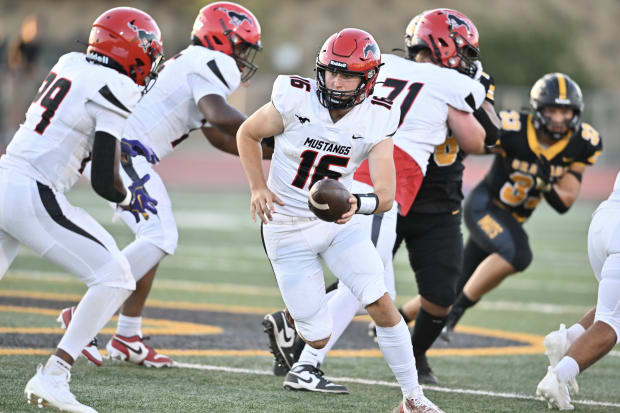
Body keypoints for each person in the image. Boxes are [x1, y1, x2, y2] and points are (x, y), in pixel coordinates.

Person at [263, 8, 498, 388]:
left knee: (374, 288)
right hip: (380, 180)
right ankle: (306, 364)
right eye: (463, 53)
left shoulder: (384, 63)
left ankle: (293, 327)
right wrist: (482, 91)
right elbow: (480, 138)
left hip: (347, 169)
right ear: (445, 46)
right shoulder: (451, 82)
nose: (466, 61)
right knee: (364, 288)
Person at [238, 27, 445, 412]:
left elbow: (385, 195)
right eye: (331, 71)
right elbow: (247, 133)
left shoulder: (378, 117)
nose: (335, 81)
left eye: (347, 74)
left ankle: (413, 398)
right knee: (317, 337)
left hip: (337, 227)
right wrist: (257, 187)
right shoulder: (295, 97)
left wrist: (356, 202)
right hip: (285, 228)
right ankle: (293, 327)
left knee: (380, 301)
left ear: (368, 78)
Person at [57, 1, 267, 368]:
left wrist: (267, 151)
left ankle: (127, 335)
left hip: (123, 150)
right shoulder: (209, 61)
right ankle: (83, 314)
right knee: (160, 236)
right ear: (221, 39)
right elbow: (219, 114)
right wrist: (269, 133)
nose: (244, 57)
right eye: (242, 47)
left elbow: (214, 132)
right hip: (125, 149)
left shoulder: (193, 62)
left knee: (152, 241)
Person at [0, 7, 163, 412]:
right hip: (33, 191)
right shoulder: (116, 87)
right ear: (133, 51)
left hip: (6, 175)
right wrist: (128, 199)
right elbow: (106, 182)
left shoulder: (71, 63)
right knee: (116, 276)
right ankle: (54, 375)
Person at [440, 72, 603, 346]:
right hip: (486, 208)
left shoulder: (582, 143)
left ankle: (398, 319)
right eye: (552, 110)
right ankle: (453, 315)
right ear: (538, 109)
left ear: (576, 113)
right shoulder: (514, 128)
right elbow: (471, 145)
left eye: (566, 112)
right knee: (517, 253)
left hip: (510, 218)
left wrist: (547, 183)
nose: (559, 119)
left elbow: (565, 202)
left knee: (456, 281)